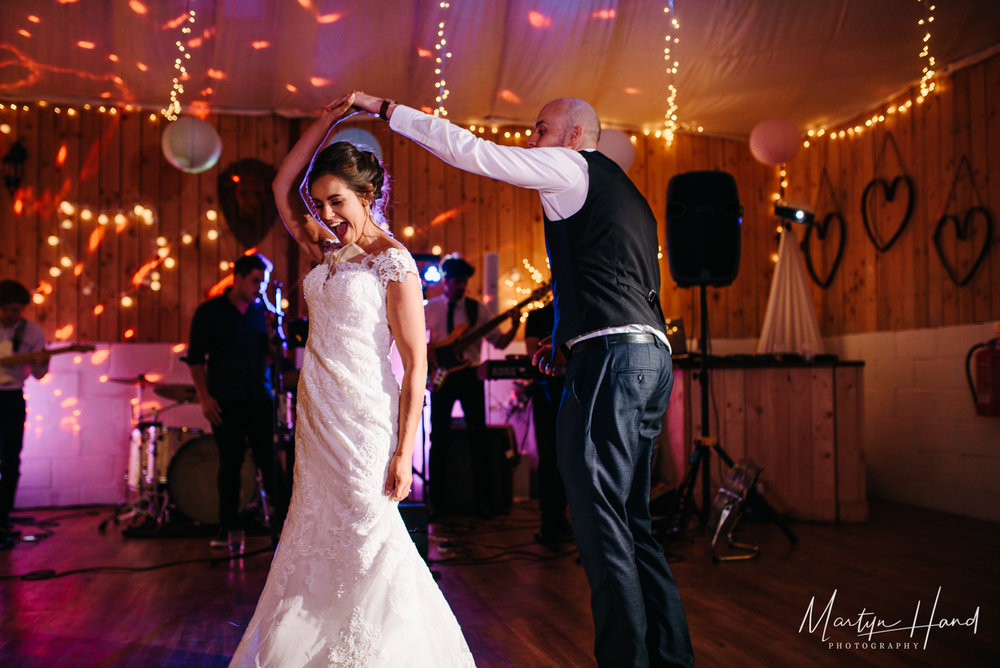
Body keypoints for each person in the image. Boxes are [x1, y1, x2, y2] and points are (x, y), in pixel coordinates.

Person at [349, 92, 693, 668]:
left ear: (575, 133)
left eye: (540, 129)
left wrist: (386, 110)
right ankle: (670, 659)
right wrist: (563, 341)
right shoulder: (629, 198)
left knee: (602, 528)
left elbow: (471, 151)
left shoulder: (570, 165)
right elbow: (607, 280)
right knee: (634, 526)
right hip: (648, 359)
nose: (532, 141)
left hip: (611, 362)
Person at [228, 93, 474, 667]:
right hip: (318, 413)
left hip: (366, 420)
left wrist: (403, 451)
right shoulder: (323, 250)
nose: (326, 214)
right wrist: (329, 120)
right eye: (319, 203)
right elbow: (281, 186)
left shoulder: (394, 263)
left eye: (336, 201)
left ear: (369, 194)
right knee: (314, 531)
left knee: (368, 536)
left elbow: (417, 367)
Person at [186, 253, 282, 548]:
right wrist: (204, 398)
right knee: (230, 465)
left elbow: (277, 357)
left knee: (270, 463)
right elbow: (195, 359)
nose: (259, 288)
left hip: (260, 399)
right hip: (226, 401)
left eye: (262, 283)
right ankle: (227, 527)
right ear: (238, 278)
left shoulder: (261, 313)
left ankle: (282, 529)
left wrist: (274, 332)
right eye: (255, 281)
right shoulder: (210, 312)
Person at [425, 257, 518, 517]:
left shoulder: (478, 310)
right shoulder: (430, 308)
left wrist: (515, 324)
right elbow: (418, 341)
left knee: (479, 437)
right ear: (446, 281)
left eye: (464, 282)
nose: (461, 286)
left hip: (469, 375)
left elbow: (499, 343)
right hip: (442, 375)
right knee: (438, 439)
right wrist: (428, 361)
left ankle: (483, 502)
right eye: (456, 281)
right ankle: (437, 503)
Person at [0, 280, 48, 549]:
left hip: (12, 397)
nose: (11, 315)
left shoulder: (33, 332)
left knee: (9, 460)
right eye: (6, 309)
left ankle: (2, 517)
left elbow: (40, 375)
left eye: (16, 310)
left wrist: (43, 360)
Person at [523, 302, 571, 550]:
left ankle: (561, 520)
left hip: (572, 390)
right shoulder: (538, 316)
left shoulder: (574, 309)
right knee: (549, 459)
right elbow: (534, 353)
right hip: (546, 391)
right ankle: (549, 523)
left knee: (568, 459)